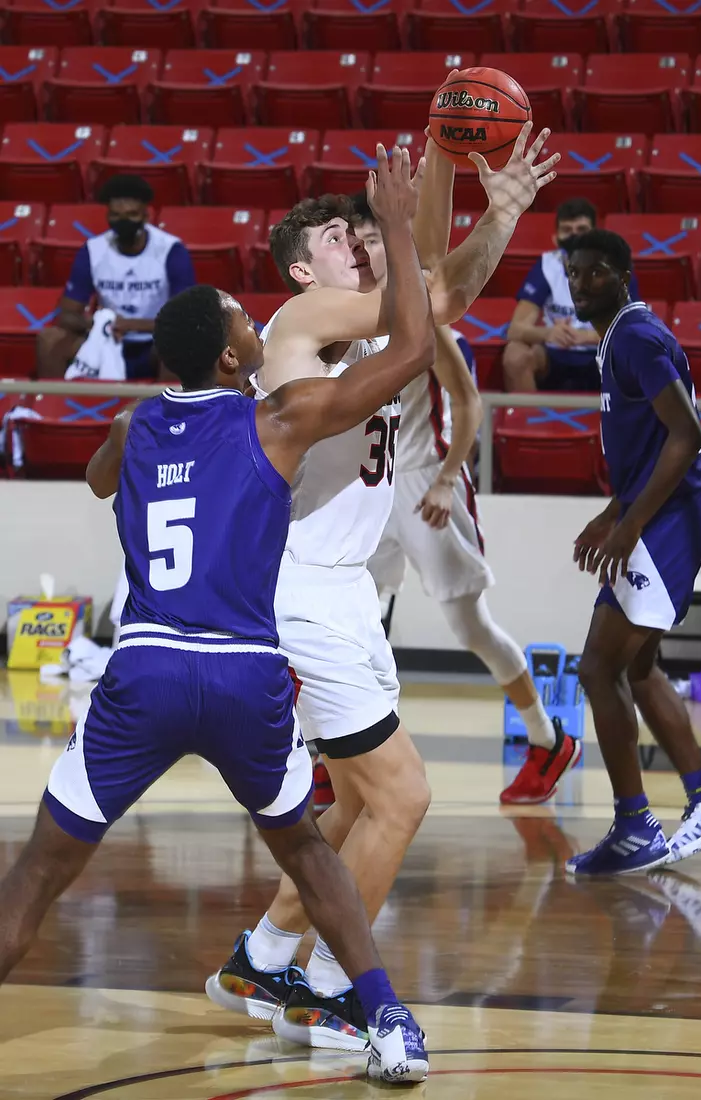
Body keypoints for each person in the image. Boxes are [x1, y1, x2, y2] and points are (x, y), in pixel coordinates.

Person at [0, 145, 438, 1084]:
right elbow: (409, 349)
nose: (253, 321)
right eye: (246, 322)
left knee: (38, 872)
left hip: (146, 668)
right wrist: (396, 226)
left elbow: (98, 480)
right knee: (312, 857)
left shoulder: (131, 424)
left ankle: (276, 975)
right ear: (238, 356)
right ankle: (386, 1020)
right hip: (242, 674)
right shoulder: (275, 421)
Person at [205, 123, 560, 1048]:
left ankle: (267, 952)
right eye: (337, 238)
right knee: (403, 795)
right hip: (301, 590)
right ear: (299, 273)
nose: (357, 241)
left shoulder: (377, 320)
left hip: (343, 590)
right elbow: (438, 286)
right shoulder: (301, 323)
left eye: (360, 233)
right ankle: (327, 983)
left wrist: (445, 164)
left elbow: (432, 272)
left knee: (359, 799)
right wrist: (501, 208)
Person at [351, 191, 580, 807]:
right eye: (360, 240)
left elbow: (471, 402)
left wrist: (451, 477)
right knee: (349, 619)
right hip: (373, 487)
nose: (366, 249)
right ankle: (336, 751)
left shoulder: (422, 314)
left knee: (469, 625)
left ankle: (547, 738)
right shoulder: (346, 316)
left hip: (429, 479)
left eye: (376, 239)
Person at [566, 228, 701, 876]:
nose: (581, 283)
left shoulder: (635, 336)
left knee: (596, 668)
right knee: (636, 669)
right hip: (656, 515)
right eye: (573, 273)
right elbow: (645, 448)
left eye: (594, 272)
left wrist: (630, 525)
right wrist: (612, 511)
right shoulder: (620, 339)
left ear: (623, 274)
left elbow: (686, 436)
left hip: (666, 521)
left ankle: (635, 824)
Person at [36, 174, 196, 381]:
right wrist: (97, 325)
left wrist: (132, 325)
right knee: (49, 340)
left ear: (146, 217)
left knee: (180, 346)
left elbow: (185, 319)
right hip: (106, 341)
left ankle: (170, 412)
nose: (124, 222)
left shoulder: (171, 250)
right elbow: (66, 314)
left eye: (131, 215)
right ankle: (53, 409)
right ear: (108, 217)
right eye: (116, 215)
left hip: (154, 344)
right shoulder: (93, 250)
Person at [503, 198, 639, 393]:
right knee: (515, 354)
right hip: (555, 354)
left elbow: (632, 332)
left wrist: (587, 337)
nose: (574, 236)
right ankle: (528, 421)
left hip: (601, 353)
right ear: (555, 238)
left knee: (636, 354)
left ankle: (627, 422)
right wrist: (548, 333)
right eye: (567, 230)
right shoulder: (546, 266)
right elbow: (515, 329)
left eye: (581, 230)